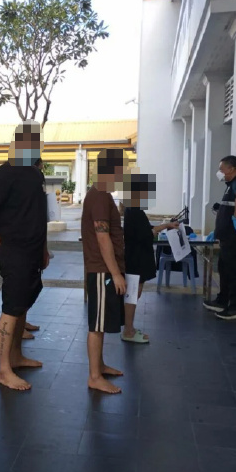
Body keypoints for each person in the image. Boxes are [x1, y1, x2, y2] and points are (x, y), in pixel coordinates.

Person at [0, 121, 49, 391]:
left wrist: (43, 248)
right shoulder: (6, 172)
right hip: (14, 250)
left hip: (32, 250)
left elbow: (38, 214)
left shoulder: (34, 174)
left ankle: (16, 356)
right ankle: (4, 370)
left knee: (22, 305)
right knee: (12, 307)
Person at [81, 148, 126, 394]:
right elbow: (102, 237)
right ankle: (94, 376)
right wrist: (115, 273)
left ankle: (99, 366)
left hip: (104, 269)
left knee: (102, 321)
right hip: (101, 271)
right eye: (122, 169)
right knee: (97, 325)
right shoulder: (99, 196)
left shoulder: (103, 195)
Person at [122, 174, 179, 343]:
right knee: (133, 294)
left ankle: (129, 327)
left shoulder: (134, 210)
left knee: (134, 294)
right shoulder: (134, 210)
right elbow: (146, 234)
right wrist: (164, 226)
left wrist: (166, 226)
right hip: (136, 259)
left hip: (136, 257)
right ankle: (128, 331)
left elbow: (146, 229)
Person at [203, 155, 236, 320]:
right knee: (224, 268)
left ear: (231, 169)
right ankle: (222, 300)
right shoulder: (231, 185)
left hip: (235, 237)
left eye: (221, 169)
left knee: (234, 271)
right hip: (227, 236)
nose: (219, 172)